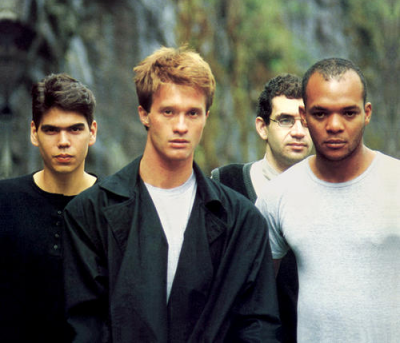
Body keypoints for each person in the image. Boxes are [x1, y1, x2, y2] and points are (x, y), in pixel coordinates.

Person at [63, 46, 281, 342]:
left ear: (206, 117)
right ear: (144, 114)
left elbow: (257, 327)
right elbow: (84, 326)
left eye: (192, 113)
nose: (181, 126)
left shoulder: (243, 221)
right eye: (168, 112)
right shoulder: (89, 213)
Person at [257, 58, 400, 342]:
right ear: (304, 114)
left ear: (367, 113)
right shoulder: (279, 194)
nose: (334, 126)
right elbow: (255, 303)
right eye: (321, 113)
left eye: (348, 113)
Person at [211, 73, 313, 342]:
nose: (298, 131)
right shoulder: (225, 184)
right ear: (262, 127)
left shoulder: (331, 195)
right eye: (285, 120)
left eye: (306, 121)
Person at [0, 74, 97, 343]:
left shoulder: (116, 206)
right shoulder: (4, 201)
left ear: (92, 132)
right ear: (34, 132)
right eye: (51, 130)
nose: (63, 141)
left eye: (75, 129)